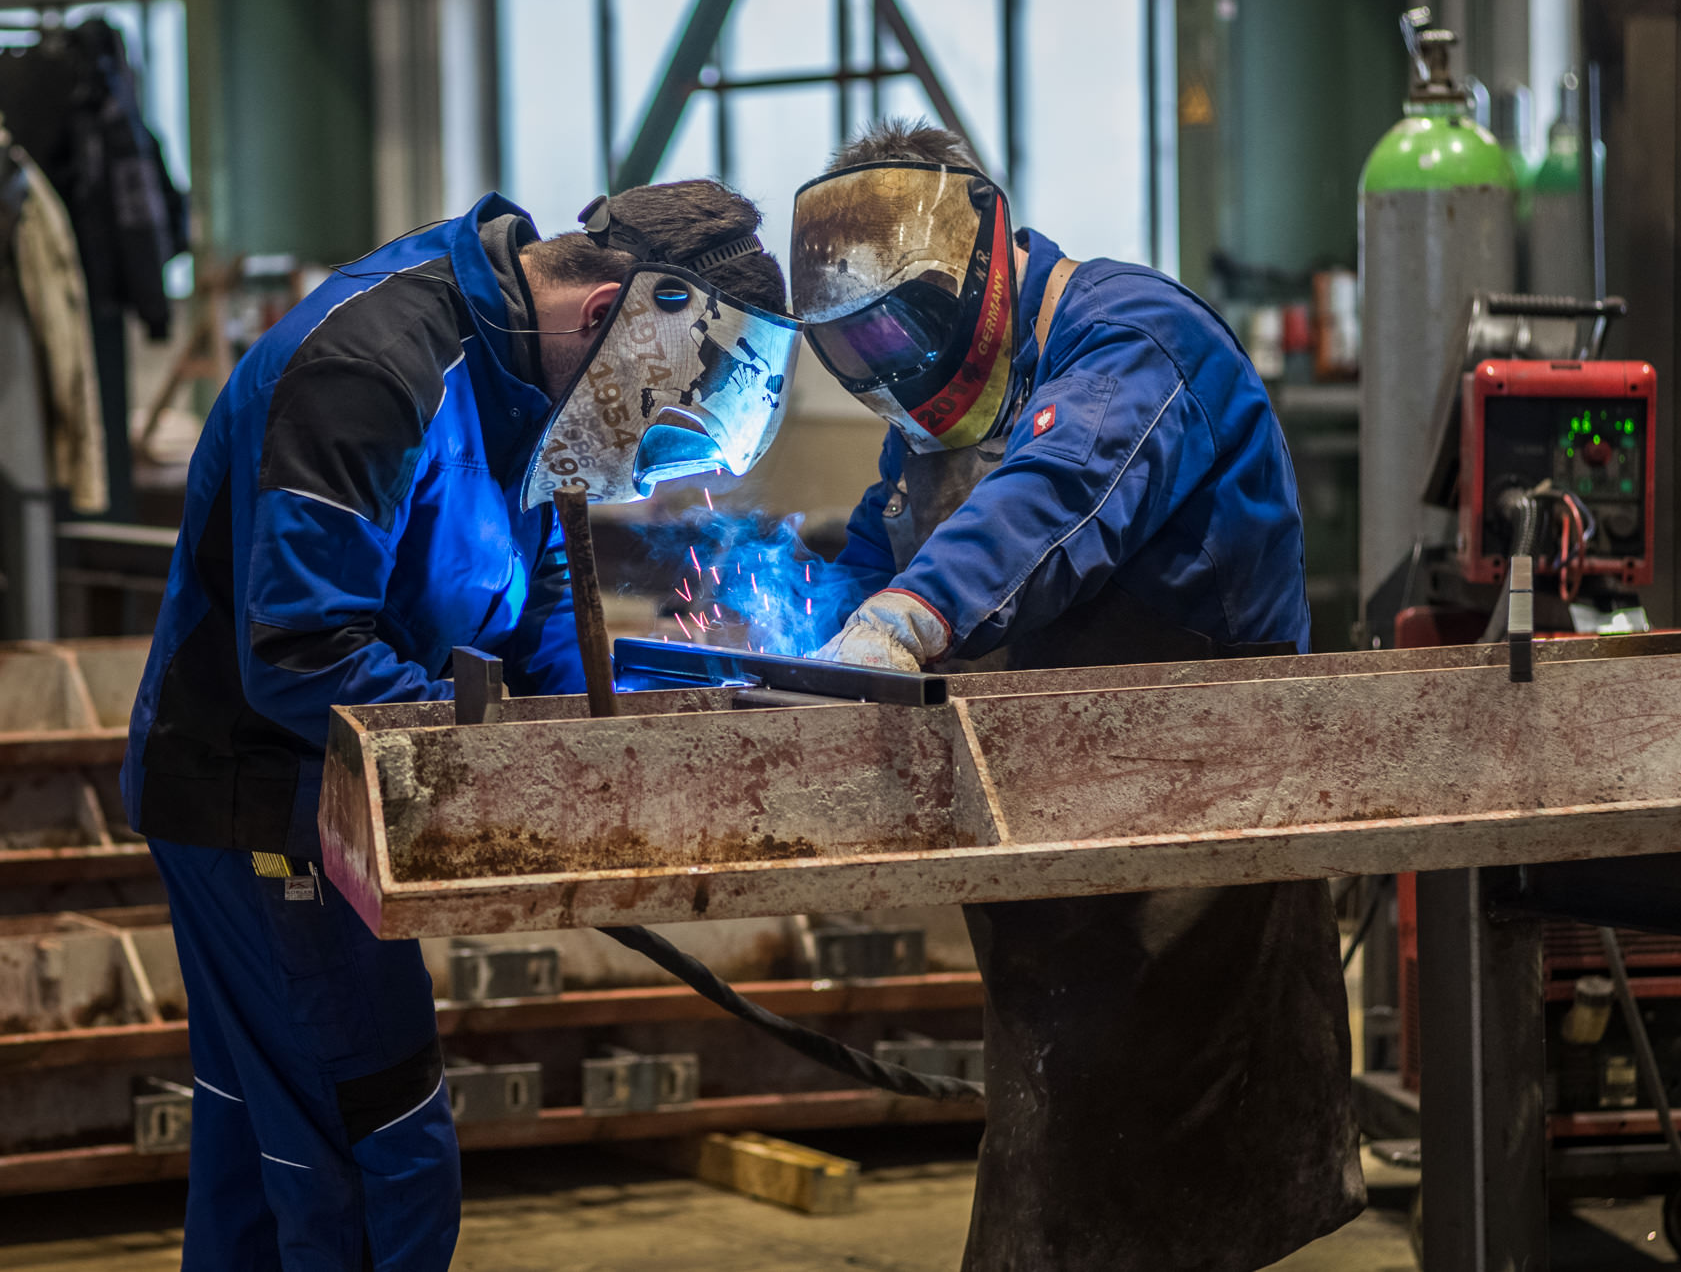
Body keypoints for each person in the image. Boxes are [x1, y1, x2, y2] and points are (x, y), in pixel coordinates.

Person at [121, 183, 799, 1271]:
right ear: (600, 318)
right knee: (376, 1163)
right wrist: (504, 762)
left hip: (341, 799)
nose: (627, 453)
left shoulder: (526, 375)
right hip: (267, 803)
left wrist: (600, 745)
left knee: (263, 1161)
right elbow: (302, 650)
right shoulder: (374, 370)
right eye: (639, 420)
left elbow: (537, 598)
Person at [793, 121, 1364, 1271]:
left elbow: (1051, 500)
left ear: (983, 257)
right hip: (1059, 855)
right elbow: (880, 553)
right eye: (854, 348)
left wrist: (906, 623)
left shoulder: (1133, 339)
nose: (887, 364)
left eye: (899, 325)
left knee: (1147, 1207)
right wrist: (802, 631)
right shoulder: (936, 430)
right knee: (1056, 1189)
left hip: (1198, 849)